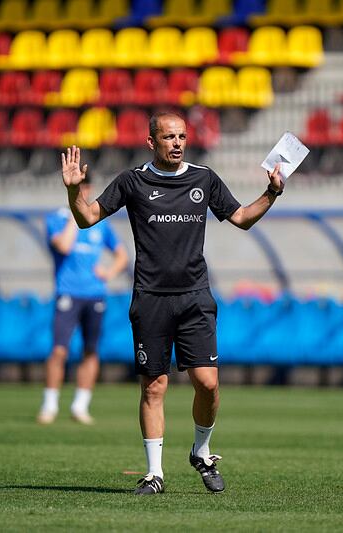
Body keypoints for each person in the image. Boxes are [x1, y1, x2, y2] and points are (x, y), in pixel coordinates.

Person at [60, 111, 285, 495]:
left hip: (195, 296)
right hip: (150, 299)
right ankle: (154, 474)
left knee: (208, 384)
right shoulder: (133, 181)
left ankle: (201, 450)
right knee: (154, 387)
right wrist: (73, 190)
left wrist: (272, 193)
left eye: (182, 136)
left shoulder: (204, 178)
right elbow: (87, 218)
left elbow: (242, 218)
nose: (177, 143)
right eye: (169, 137)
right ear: (152, 142)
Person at [37, 173, 129, 425]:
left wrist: (108, 272)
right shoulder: (57, 219)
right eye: (77, 188)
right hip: (68, 293)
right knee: (59, 350)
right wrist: (74, 215)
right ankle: (50, 404)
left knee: (91, 350)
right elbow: (64, 247)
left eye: (84, 187)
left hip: (95, 294)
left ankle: (80, 405)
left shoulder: (102, 224)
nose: (83, 192)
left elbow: (122, 255)